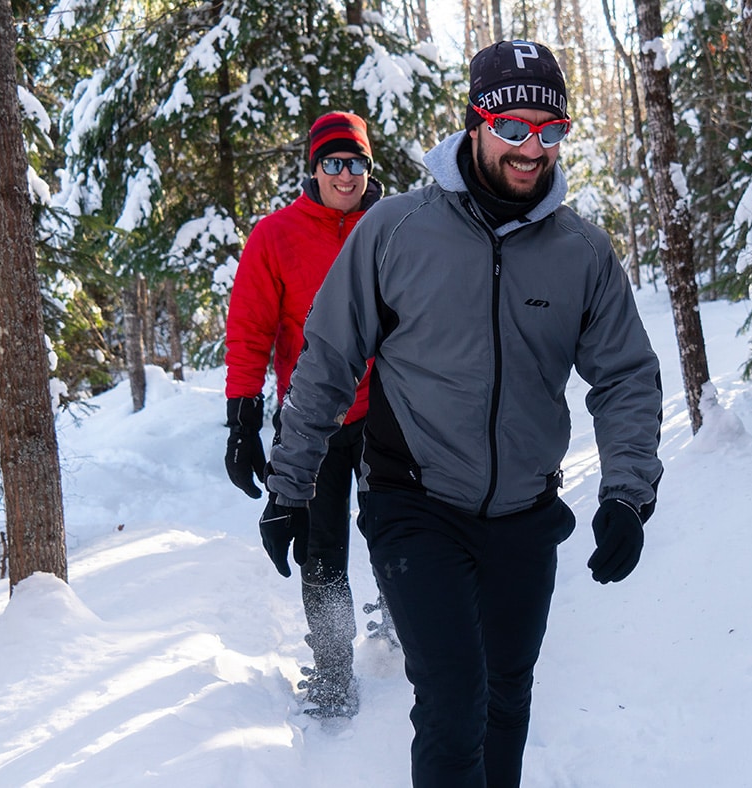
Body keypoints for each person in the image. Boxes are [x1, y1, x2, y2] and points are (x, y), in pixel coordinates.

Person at [262, 40, 663, 786]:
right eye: (512, 128)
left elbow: (626, 377)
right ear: (474, 124)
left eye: (548, 131)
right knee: (453, 702)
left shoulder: (580, 251)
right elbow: (328, 359)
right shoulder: (396, 232)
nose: (530, 148)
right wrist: (291, 485)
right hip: (416, 501)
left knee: (507, 699)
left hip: (524, 511)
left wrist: (628, 494)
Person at [224, 110, 384, 719]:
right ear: (313, 168)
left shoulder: (388, 224)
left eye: (357, 163)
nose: (346, 175)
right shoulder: (275, 236)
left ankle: (403, 630)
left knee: (398, 530)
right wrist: (242, 423)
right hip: (311, 422)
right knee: (322, 550)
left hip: (387, 416)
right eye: (333, 163)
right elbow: (249, 334)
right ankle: (335, 671)